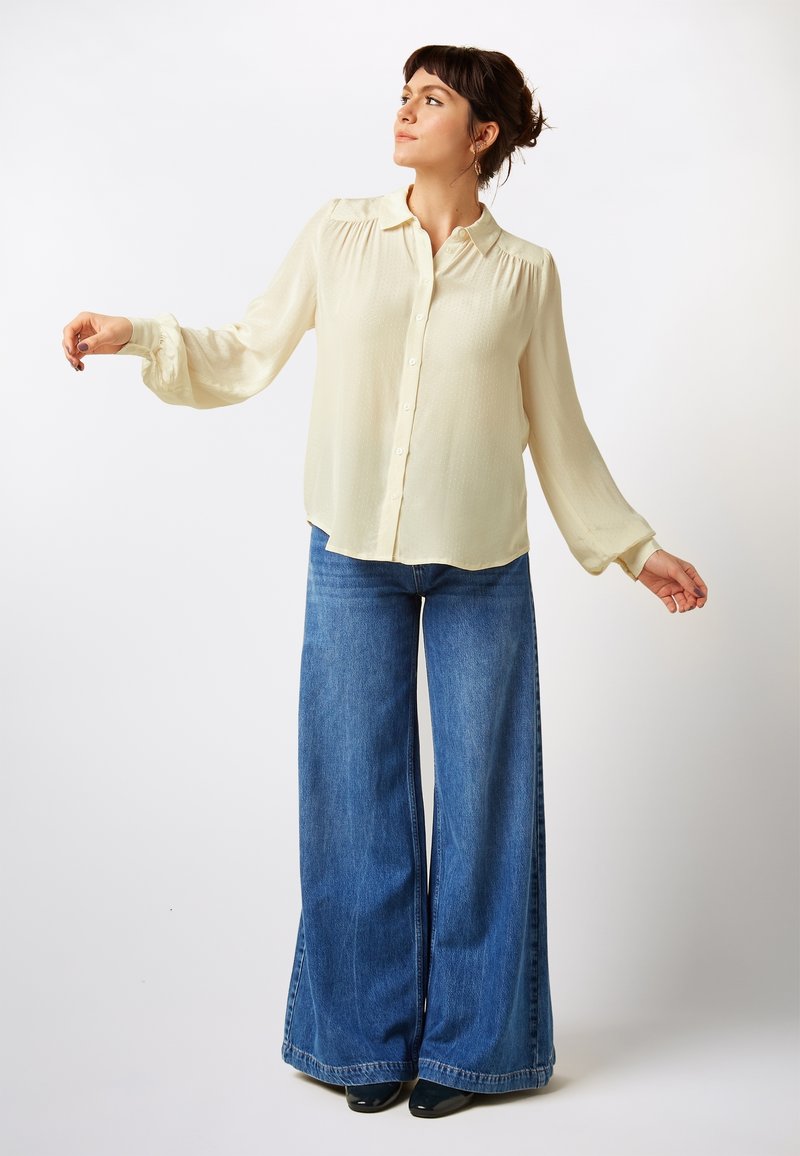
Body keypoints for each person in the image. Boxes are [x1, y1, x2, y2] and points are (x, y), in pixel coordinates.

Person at [62, 44, 708, 1119]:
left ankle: (474, 1050)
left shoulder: (525, 273)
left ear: (482, 134)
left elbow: (557, 428)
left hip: (481, 568)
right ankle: (360, 1043)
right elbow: (246, 348)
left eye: (431, 99)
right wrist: (140, 335)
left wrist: (635, 550)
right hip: (351, 556)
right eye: (404, 95)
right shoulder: (338, 234)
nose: (405, 112)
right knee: (353, 798)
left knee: (487, 804)